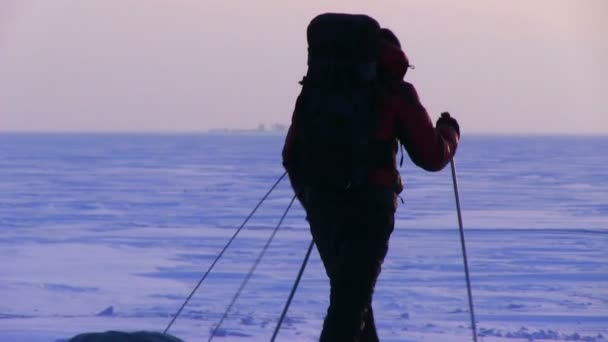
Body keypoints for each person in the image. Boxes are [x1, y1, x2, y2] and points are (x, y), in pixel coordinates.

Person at [282, 17, 460, 341]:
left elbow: (291, 156)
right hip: (370, 209)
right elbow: (432, 155)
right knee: (350, 304)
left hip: (323, 205)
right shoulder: (393, 90)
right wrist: (451, 133)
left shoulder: (317, 88)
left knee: (351, 299)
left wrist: (312, 198)